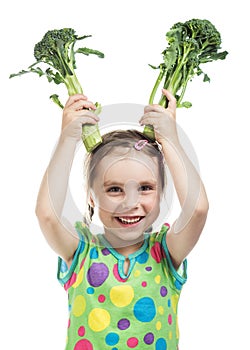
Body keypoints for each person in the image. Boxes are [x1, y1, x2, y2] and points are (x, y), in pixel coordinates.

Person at [35, 89, 209, 350]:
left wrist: (170, 139)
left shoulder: (166, 252)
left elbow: (197, 210)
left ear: (162, 194)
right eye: (114, 189)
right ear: (91, 197)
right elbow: (47, 215)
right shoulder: (81, 251)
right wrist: (68, 138)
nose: (130, 203)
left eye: (145, 188)